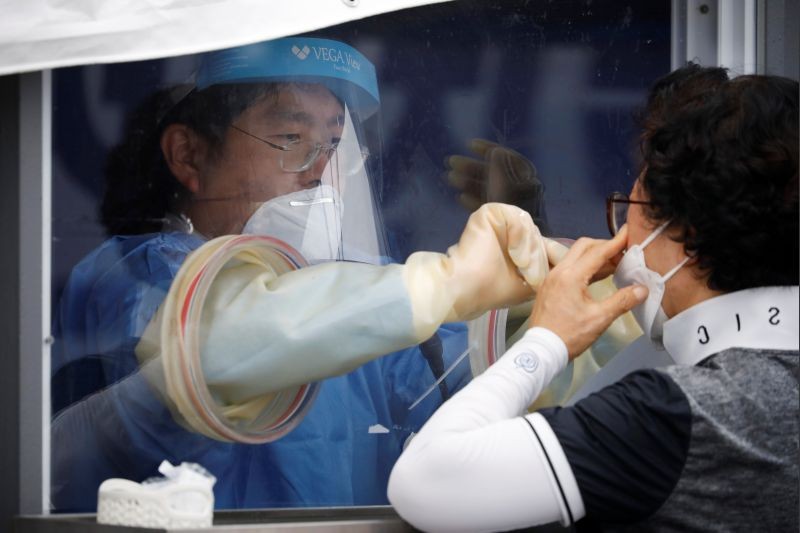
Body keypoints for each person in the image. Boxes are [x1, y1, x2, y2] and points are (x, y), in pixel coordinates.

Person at [50, 36, 553, 511]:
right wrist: (442, 286)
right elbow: (220, 343)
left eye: (333, 144)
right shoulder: (135, 274)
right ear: (190, 154)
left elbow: (453, 393)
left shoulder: (363, 289)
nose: (318, 171)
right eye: (291, 138)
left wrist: (530, 299)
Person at [388, 63, 799, 532]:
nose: (623, 235)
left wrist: (547, 338)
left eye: (634, 209)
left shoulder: (682, 415)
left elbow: (426, 481)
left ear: (686, 230)